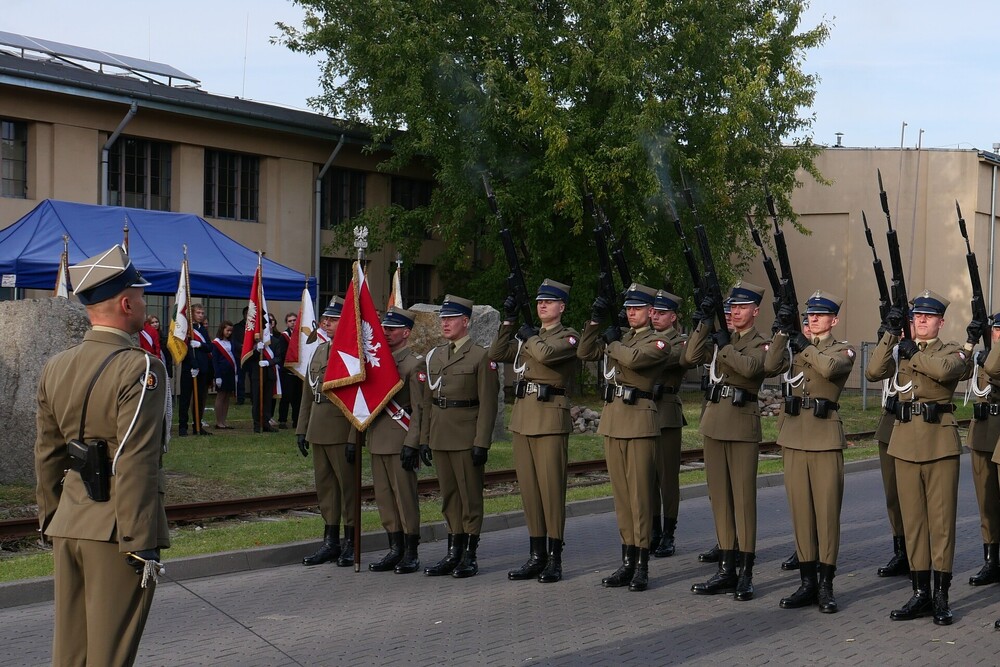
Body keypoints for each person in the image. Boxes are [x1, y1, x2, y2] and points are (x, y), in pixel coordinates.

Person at [35, 244, 169, 666]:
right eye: (141, 296)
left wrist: (50, 519)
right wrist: (139, 540)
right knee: (110, 656)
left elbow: (47, 455)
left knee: (71, 654)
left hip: (68, 521)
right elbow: (135, 458)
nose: (145, 304)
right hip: (116, 529)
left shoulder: (56, 366)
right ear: (126, 303)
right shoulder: (140, 367)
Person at [867, 290, 977, 625]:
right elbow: (873, 371)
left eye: (929, 317)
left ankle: (941, 596)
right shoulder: (901, 348)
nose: (922, 321)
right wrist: (890, 334)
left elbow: (945, 372)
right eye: (917, 316)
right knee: (913, 523)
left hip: (939, 443)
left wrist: (912, 352)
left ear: (941, 322)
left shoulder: (953, 351)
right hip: (904, 443)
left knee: (940, 524)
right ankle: (920, 593)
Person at [765, 291, 856, 613]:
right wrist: (781, 333)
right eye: (809, 314)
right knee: (801, 513)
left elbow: (829, 369)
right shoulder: (793, 346)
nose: (813, 319)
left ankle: (826, 584)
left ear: (834, 320)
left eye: (820, 314)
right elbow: (769, 366)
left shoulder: (842, 349)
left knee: (826, 514)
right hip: (794, 435)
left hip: (824, 437)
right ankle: (807, 583)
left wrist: (803, 344)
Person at [578, 283, 671, 592]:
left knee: (640, 497)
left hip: (640, 421)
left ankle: (642, 565)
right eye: (628, 308)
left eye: (638, 308)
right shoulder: (621, 339)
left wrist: (613, 341)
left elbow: (633, 360)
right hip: (614, 421)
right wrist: (595, 322)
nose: (632, 313)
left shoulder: (658, 342)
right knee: (621, 497)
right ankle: (627, 561)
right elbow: (584, 352)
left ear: (651, 311)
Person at [489, 279, 579, 583]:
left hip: (550, 418)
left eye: (549, 301)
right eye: (539, 301)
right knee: (529, 491)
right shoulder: (531, 336)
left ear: (561, 307)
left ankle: (555, 558)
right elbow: (496, 353)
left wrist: (529, 336)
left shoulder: (568, 337)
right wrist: (509, 321)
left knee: (552, 491)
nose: (542, 305)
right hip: (524, 418)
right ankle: (536, 555)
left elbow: (546, 355)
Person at [684, 281, 769, 601]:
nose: (735, 311)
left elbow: (751, 370)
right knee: (719, 498)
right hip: (714, 424)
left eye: (742, 307)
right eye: (732, 306)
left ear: (755, 311)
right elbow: (690, 356)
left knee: (743, 501)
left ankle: (746, 573)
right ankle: (725, 569)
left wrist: (727, 347)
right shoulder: (723, 339)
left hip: (742, 425)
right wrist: (705, 324)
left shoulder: (762, 343)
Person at [421, 295, 500, 578]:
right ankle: (453, 551)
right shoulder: (436, 355)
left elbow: (488, 404)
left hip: (466, 436)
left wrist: (482, 442)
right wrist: (424, 438)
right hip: (440, 434)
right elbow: (428, 402)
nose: (445, 323)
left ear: (465, 322)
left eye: (450, 318)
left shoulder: (481, 356)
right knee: (449, 496)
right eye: (443, 319)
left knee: (470, 497)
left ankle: (469, 554)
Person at [358, 307, 426, 574]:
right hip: (377, 438)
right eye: (384, 328)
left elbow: (419, 409)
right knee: (384, 498)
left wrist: (413, 442)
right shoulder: (376, 361)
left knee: (405, 497)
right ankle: (394, 548)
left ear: (406, 333)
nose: (385, 332)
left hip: (400, 437)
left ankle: (411, 551)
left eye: (392, 329)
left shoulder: (413, 363)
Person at [297, 297, 356, 567]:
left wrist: (354, 436)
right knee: (325, 488)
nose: (326, 323)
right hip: (318, 427)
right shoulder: (320, 350)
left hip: (341, 428)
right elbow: (308, 393)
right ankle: (331, 542)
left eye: (333, 319)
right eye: (325, 319)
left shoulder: (353, 353)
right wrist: (302, 429)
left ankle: (351, 542)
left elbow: (358, 399)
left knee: (348, 488)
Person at [864, 313, 910, 578]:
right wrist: (886, 339)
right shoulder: (893, 349)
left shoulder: (919, 351)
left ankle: (919, 553)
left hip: (913, 425)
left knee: (912, 496)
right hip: (890, 423)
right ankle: (901, 551)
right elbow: (875, 372)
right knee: (893, 495)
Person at [648, 290, 689, 558]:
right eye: (653, 312)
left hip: (666, 413)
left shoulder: (680, 341)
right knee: (648, 477)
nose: (655, 317)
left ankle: (668, 533)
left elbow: (665, 358)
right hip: (644, 412)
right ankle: (653, 531)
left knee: (667, 479)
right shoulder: (646, 339)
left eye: (662, 313)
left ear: (673, 317)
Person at [964, 314, 1000, 588]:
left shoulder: (993, 359)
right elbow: (958, 371)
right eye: (996, 329)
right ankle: (991, 561)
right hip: (983, 431)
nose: (998, 334)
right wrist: (970, 343)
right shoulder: (984, 355)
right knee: (986, 503)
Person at [178, 302, 213, 436]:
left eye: (202, 313)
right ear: (192, 314)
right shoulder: (186, 329)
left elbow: (210, 347)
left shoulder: (202, 329)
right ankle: (182, 426)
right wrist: (193, 365)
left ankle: (197, 426)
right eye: (198, 313)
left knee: (199, 399)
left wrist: (200, 345)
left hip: (202, 368)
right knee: (185, 399)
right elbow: (184, 350)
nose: (200, 315)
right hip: (189, 368)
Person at [243, 315, 278, 434]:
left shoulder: (275, 341)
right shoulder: (253, 341)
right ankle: (257, 424)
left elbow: (279, 357)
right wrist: (257, 351)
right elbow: (248, 358)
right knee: (257, 400)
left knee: (268, 400)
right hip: (257, 374)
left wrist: (269, 362)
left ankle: (266, 422)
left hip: (270, 374)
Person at [278, 312, 303, 429]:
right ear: (286, 323)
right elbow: (282, 353)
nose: (293, 322)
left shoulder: (302, 334)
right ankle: (282, 420)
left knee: (298, 397)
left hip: (299, 371)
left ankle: (296, 420)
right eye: (290, 321)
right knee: (286, 397)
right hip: (287, 371)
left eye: (294, 320)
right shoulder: (284, 336)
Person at [211, 321, 237, 429]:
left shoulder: (231, 342)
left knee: (227, 397)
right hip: (221, 373)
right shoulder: (216, 343)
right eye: (227, 330)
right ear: (222, 330)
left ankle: (224, 420)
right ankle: (219, 422)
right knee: (221, 396)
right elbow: (215, 361)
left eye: (231, 331)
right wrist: (217, 376)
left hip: (230, 372)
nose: (229, 333)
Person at [232, 307, 249, 405]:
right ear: (244, 315)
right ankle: (240, 398)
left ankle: (254, 398)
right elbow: (233, 341)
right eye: (247, 313)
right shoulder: (237, 327)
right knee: (240, 378)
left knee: (253, 378)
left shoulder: (255, 327)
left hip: (252, 356)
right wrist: (242, 347)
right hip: (240, 356)